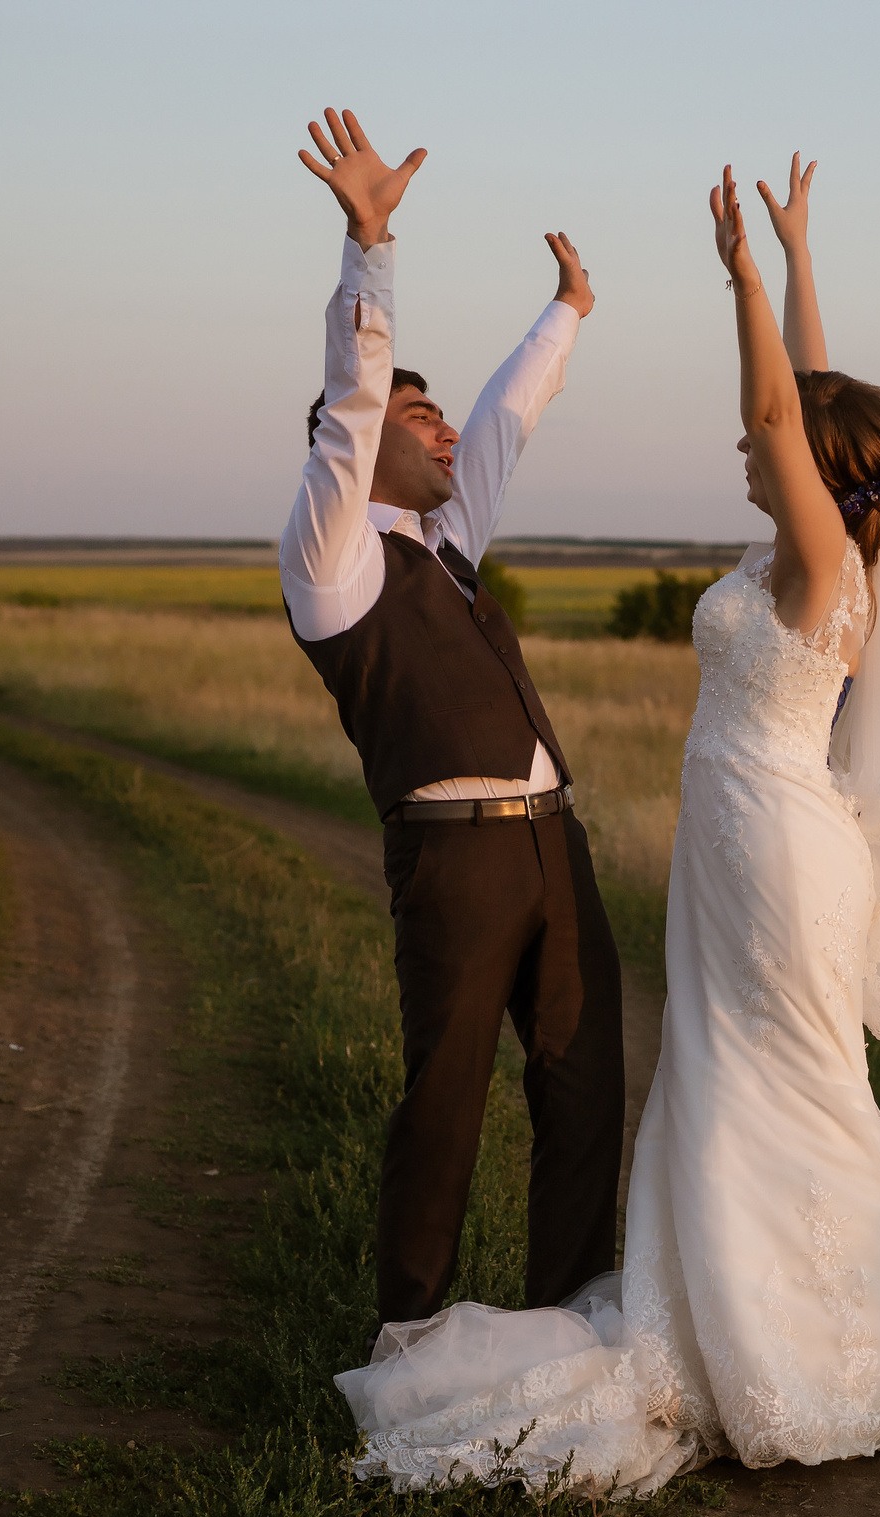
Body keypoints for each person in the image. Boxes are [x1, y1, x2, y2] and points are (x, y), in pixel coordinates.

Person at [337, 154, 880, 1495]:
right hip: (752, 842)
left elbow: (787, 408)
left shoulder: (819, 559)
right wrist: (793, 259)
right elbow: (815, 397)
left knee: (773, 1075)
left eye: (771, 444)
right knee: (753, 1072)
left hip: (777, 848)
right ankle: (789, 1330)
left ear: (816, 471)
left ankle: (786, 1346)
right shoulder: (825, 546)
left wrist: (735, 278)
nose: (748, 445)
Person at [279, 108, 624, 1345]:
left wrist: (568, 310)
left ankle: (578, 1327)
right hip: (456, 858)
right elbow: (355, 399)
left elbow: (508, 417)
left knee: (584, 1093)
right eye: (416, 422)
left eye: (438, 419)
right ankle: (408, 1341)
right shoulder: (335, 562)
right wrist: (369, 251)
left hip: (551, 842)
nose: (443, 432)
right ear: (362, 453)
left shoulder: (449, 544)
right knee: (446, 1104)